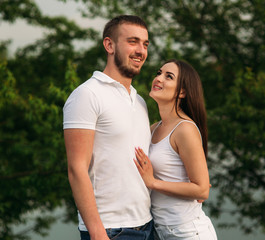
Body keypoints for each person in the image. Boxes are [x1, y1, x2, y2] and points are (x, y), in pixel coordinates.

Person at [63, 15, 154, 240]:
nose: (141, 51)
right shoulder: (87, 95)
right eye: (133, 41)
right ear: (109, 45)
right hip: (110, 231)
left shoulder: (139, 100)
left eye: (145, 44)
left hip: (147, 225)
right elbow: (76, 169)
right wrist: (97, 233)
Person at [134, 59, 217, 240]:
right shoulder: (154, 128)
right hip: (159, 231)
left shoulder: (184, 129)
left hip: (188, 233)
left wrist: (153, 182)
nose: (159, 78)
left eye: (168, 76)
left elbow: (202, 190)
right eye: (159, 73)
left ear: (182, 92)